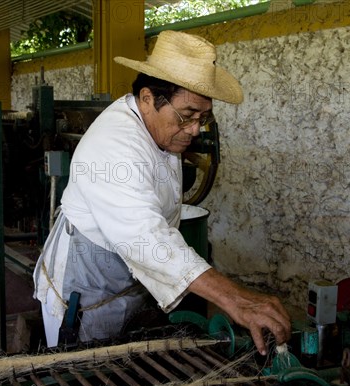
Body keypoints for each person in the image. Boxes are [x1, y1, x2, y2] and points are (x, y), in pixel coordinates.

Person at [33, 30, 291, 355]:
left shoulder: (160, 128)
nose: (195, 129)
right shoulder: (115, 145)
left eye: (203, 117)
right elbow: (147, 238)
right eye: (186, 115)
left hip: (127, 278)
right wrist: (235, 298)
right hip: (87, 287)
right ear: (147, 99)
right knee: (83, 369)